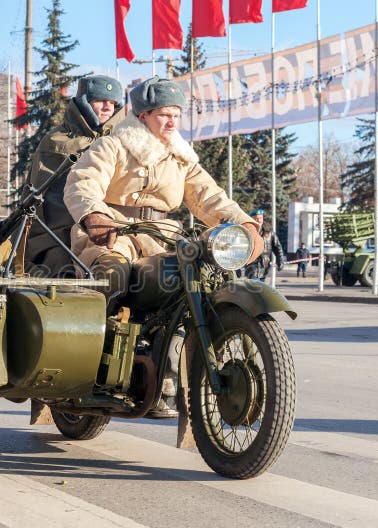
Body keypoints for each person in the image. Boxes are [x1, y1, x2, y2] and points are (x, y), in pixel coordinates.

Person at [63, 76, 264, 418]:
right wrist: (95, 215)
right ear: (142, 116)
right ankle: (88, 366)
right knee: (112, 275)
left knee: (192, 281)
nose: (172, 121)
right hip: (113, 231)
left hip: (162, 236)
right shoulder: (113, 146)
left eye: (176, 114)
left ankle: (170, 373)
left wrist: (243, 223)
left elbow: (209, 196)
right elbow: (83, 181)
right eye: (163, 115)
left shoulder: (181, 157)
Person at [26, 75, 124, 277]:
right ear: (84, 103)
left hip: (120, 234)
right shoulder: (56, 142)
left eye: (113, 103)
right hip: (62, 237)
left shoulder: (127, 142)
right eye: (100, 101)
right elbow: (41, 201)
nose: (107, 107)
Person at [244, 208, 285, 282]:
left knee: (260, 287)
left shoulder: (269, 232)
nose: (259, 220)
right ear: (251, 219)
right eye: (256, 218)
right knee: (255, 286)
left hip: (264, 266)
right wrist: (236, 267)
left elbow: (277, 247)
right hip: (251, 265)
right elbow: (240, 249)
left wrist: (280, 261)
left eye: (260, 218)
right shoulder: (247, 232)